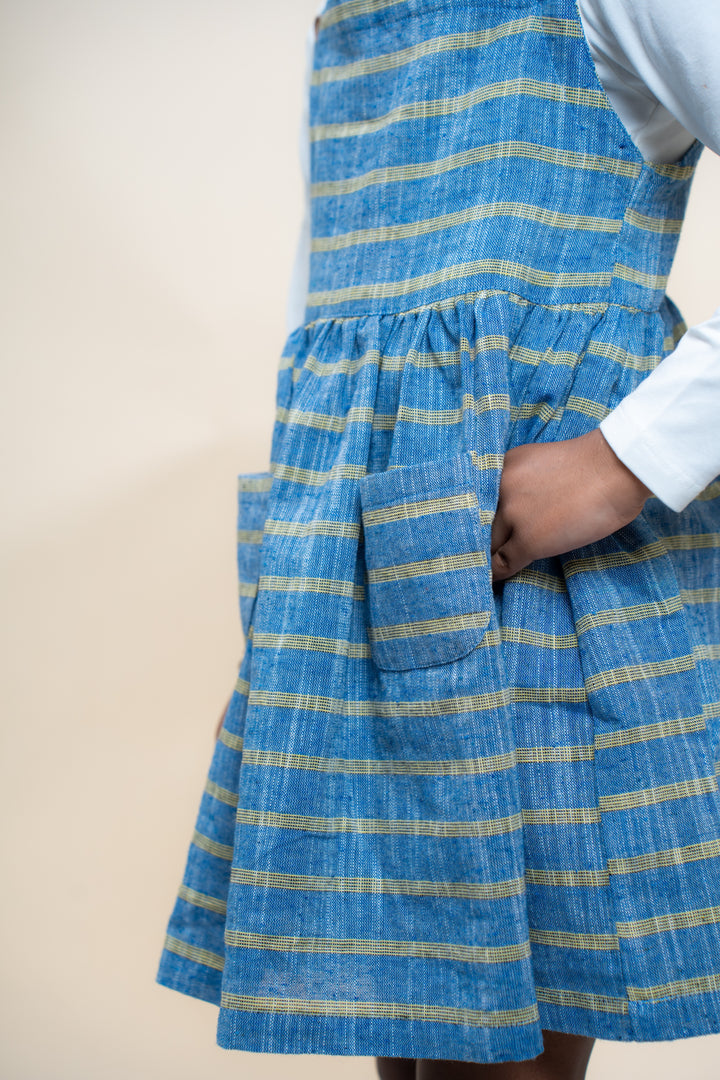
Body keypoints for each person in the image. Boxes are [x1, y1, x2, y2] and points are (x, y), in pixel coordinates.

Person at [157, 1, 720, 1076]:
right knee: (404, 1037)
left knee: (492, 1040)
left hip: (532, 576)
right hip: (360, 565)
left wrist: (626, 457)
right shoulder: (349, 14)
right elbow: (334, 325)